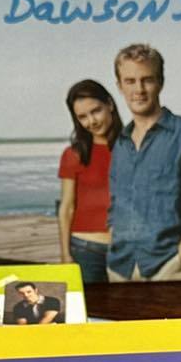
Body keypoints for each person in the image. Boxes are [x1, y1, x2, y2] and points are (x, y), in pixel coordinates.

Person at [106, 43, 181, 282]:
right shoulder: (121, 143)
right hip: (120, 268)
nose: (139, 89)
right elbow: (116, 202)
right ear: (119, 86)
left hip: (169, 265)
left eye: (147, 80)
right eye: (130, 81)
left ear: (160, 82)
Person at [57, 80, 121, 283]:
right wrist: (65, 254)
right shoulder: (74, 154)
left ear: (110, 104)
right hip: (85, 249)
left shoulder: (132, 148)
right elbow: (67, 207)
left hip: (126, 249)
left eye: (96, 111)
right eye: (82, 117)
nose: (91, 121)